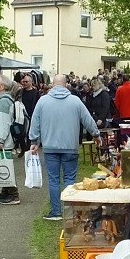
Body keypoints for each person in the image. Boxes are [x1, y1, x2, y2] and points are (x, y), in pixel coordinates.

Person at [28, 74, 100, 220]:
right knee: (69, 179)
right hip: (70, 146)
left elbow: (35, 121)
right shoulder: (75, 101)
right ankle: (70, 212)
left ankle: (56, 212)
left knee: (53, 179)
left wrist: (34, 141)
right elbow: (88, 119)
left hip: (50, 146)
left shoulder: (43, 101)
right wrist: (96, 134)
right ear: (66, 84)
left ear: (53, 84)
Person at [0, 75, 21, 206]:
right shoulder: (6, 99)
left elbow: (4, 122)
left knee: (5, 166)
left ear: (2, 86)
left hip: (3, 140)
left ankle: (13, 194)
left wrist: (0, 140)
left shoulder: (3, 101)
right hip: (5, 139)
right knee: (3, 164)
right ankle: (5, 191)